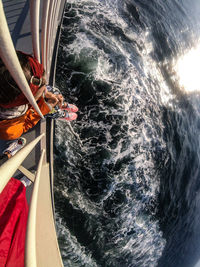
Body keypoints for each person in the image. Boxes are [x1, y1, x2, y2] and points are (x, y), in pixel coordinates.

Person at [0, 51, 78, 140]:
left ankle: (57, 106)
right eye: (42, 86)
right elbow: (26, 124)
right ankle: (56, 112)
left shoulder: (10, 95)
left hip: (24, 102)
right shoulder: (9, 131)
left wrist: (45, 93)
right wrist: (43, 108)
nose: (45, 84)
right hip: (29, 114)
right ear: (27, 98)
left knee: (52, 91)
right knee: (49, 107)